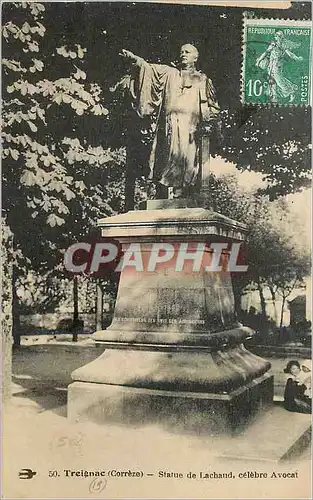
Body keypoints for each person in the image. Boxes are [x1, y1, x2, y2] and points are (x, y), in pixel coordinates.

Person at [119, 44, 220, 198]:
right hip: (169, 124)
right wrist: (134, 59)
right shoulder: (169, 73)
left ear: (195, 57)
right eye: (181, 52)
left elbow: (212, 106)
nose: (183, 54)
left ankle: (182, 192)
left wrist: (210, 121)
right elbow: (147, 68)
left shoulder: (202, 79)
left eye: (187, 52)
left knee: (187, 158)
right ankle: (162, 193)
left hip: (190, 127)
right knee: (166, 156)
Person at [256, 30, 303, 103]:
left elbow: (290, 54)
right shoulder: (272, 45)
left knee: (279, 81)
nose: (279, 37)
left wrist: (297, 58)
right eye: (277, 36)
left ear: (282, 37)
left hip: (278, 66)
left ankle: (291, 92)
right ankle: (275, 97)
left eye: (280, 36)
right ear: (275, 37)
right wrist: (259, 60)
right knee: (272, 80)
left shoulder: (283, 45)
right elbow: (266, 53)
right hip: (270, 65)